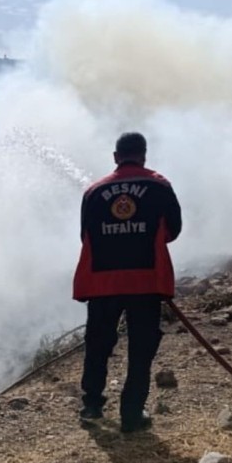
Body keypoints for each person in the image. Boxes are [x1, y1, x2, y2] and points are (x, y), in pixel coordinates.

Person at [72, 132, 182, 433]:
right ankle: (132, 415)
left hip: (102, 283)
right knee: (140, 349)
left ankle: (92, 405)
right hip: (146, 282)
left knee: (97, 345)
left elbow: (86, 235)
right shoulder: (159, 185)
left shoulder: (94, 191)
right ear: (143, 155)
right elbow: (174, 229)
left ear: (115, 156)